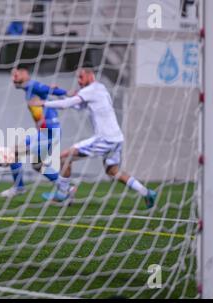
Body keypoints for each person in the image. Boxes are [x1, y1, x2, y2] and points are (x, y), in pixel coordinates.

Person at [31, 68, 157, 208]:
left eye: (81, 77)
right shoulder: (99, 88)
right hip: (116, 138)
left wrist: (43, 103)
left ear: (90, 76)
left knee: (64, 158)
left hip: (104, 138)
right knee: (113, 171)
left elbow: (67, 104)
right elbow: (77, 106)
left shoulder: (90, 90)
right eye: (77, 78)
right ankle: (146, 192)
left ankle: (63, 192)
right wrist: (57, 95)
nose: (79, 81)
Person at [0, 67, 69, 198]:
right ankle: (64, 186)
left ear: (25, 73)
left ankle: (19, 187)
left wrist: (67, 93)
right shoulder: (29, 88)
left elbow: (46, 89)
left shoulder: (32, 85)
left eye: (16, 74)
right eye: (12, 76)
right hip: (43, 132)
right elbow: (47, 91)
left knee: (14, 153)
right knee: (37, 165)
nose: (13, 78)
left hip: (49, 132)